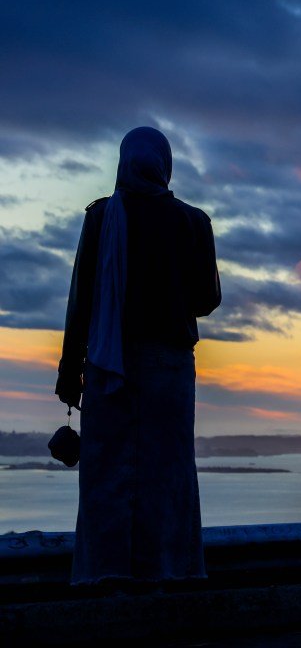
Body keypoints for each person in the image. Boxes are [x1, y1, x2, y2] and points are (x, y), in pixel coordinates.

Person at [55, 126, 221, 589]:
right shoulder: (193, 222)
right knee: (167, 474)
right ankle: (170, 572)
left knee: (108, 474)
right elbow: (206, 299)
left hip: (109, 366)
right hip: (169, 370)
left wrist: (70, 374)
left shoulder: (102, 217)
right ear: (165, 164)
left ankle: (105, 575)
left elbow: (81, 302)